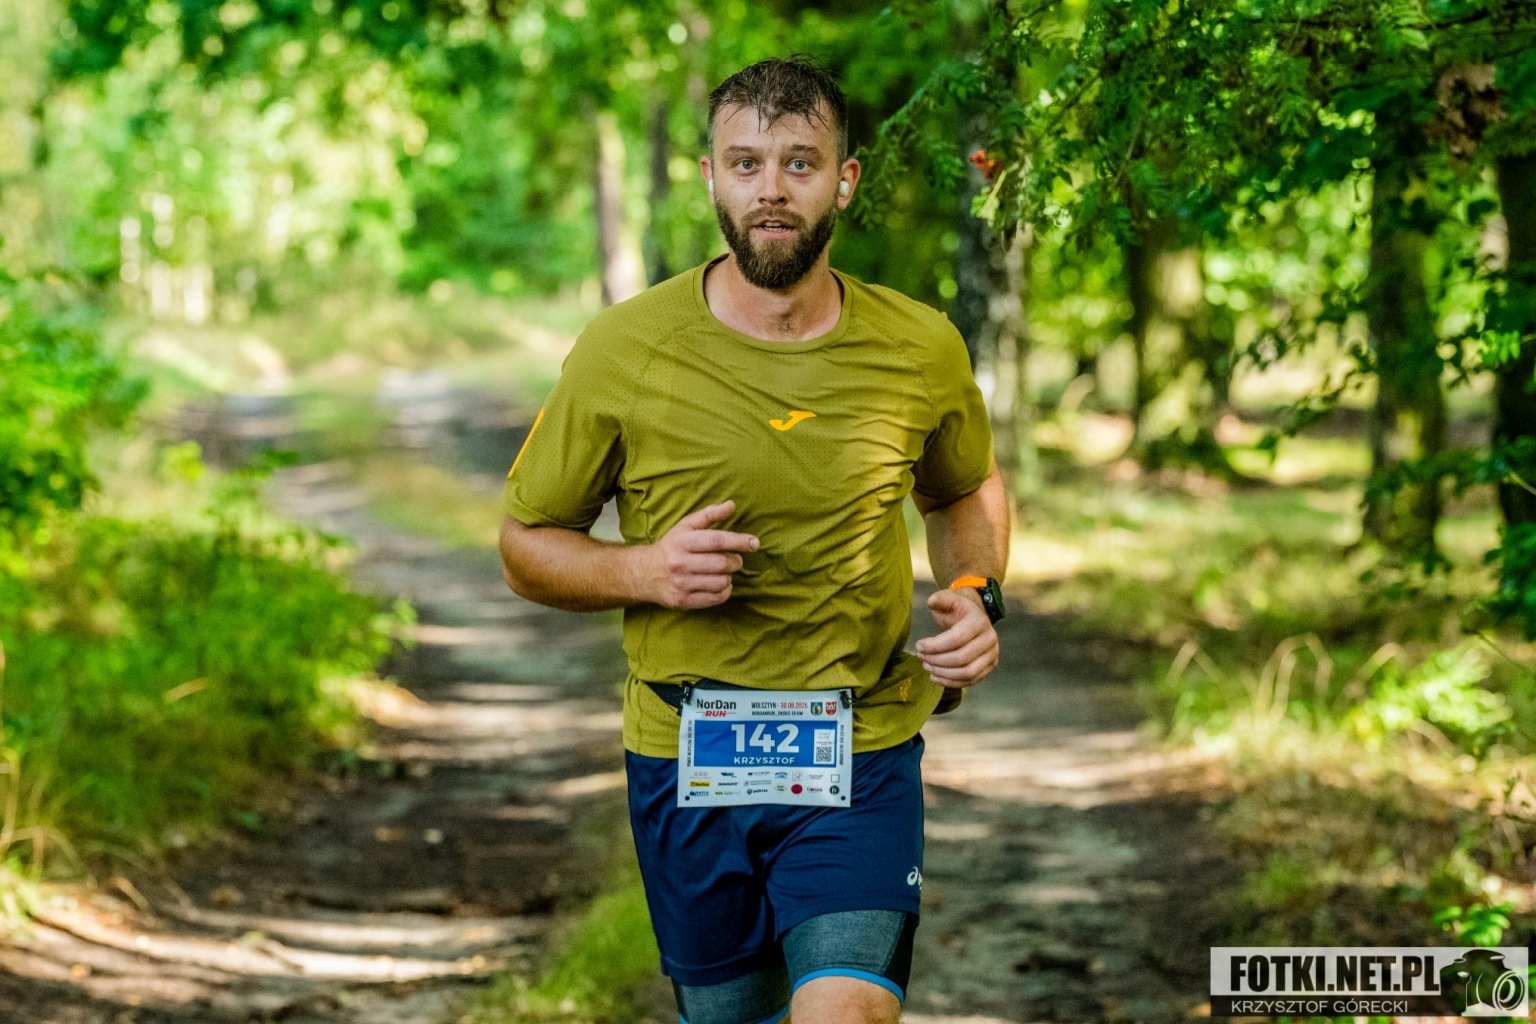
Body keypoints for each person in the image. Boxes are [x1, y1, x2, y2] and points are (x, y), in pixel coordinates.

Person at [498, 55, 1009, 1024]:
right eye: (745, 163)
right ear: (711, 178)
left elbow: (965, 485)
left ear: (844, 180)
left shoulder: (918, 346)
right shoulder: (625, 349)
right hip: (687, 752)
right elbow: (526, 542)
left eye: (799, 163)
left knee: (846, 1010)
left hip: (861, 746)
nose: (771, 188)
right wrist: (644, 569)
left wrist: (979, 590)